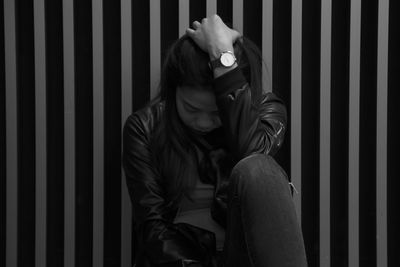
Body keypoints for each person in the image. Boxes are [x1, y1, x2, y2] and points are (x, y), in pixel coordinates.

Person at [123, 14, 307, 267]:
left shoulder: (267, 110)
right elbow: (153, 228)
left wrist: (222, 54)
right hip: (178, 261)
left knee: (257, 168)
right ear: (172, 91)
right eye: (191, 109)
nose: (203, 122)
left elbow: (254, 154)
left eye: (216, 113)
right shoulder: (145, 127)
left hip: (249, 258)